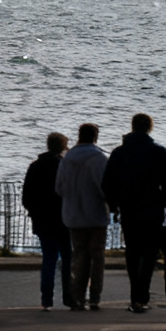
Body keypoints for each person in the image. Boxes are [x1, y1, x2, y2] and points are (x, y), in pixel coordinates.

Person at [100, 112, 166, 314]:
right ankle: (142, 295)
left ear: (132, 127)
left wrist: (115, 204)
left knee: (133, 252)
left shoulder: (119, 152)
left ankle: (135, 294)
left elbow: (107, 183)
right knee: (150, 253)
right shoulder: (159, 152)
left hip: (129, 209)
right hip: (152, 210)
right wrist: (161, 202)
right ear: (149, 128)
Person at [55, 122, 110, 312]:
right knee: (97, 257)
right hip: (95, 216)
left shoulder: (67, 158)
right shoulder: (99, 158)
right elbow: (105, 188)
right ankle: (95, 296)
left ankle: (77, 297)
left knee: (79, 256)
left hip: (73, 216)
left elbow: (59, 188)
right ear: (95, 136)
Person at [20, 133, 74, 310]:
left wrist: (35, 213)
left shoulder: (35, 166)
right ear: (63, 146)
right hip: (63, 219)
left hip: (43, 220)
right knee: (67, 259)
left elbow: (26, 197)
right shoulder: (64, 165)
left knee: (48, 258)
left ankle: (46, 300)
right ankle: (69, 297)